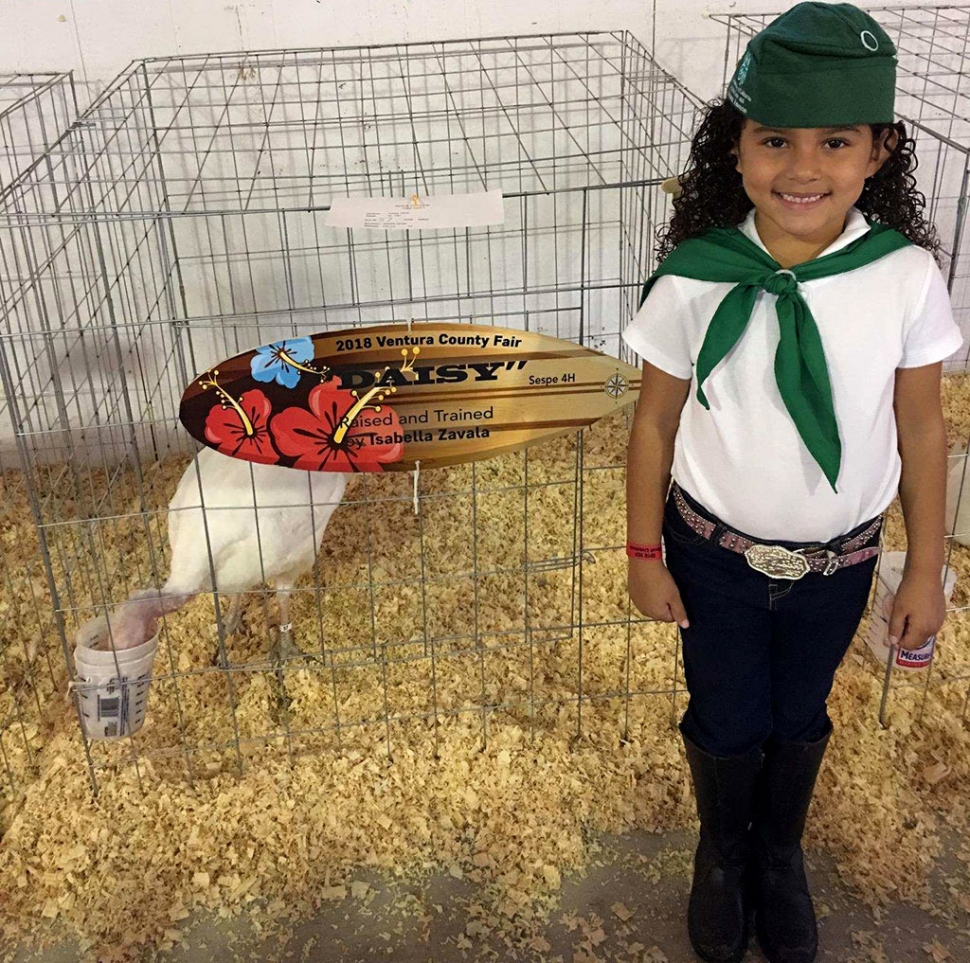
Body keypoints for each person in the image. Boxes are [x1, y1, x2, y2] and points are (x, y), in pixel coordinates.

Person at [622, 4, 963, 963]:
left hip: (841, 562)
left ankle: (780, 850)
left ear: (878, 152)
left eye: (834, 142)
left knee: (799, 710)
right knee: (726, 711)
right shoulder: (696, 276)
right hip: (713, 556)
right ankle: (721, 851)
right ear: (735, 150)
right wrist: (644, 553)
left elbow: (924, 427)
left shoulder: (901, 279)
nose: (801, 168)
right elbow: (652, 421)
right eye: (774, 139)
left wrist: (925, 568)